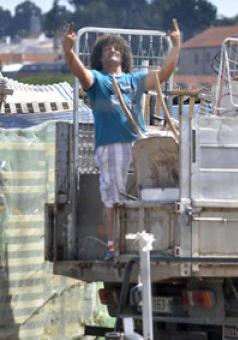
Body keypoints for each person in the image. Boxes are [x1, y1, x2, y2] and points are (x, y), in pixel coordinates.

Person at [62, 20, 181, 258]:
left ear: (124, 55)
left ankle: (152, 243)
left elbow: (163, 76)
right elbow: (81, 73)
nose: (112, 50)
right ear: (99, 56)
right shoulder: (97, 79)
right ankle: (113, 247)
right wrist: (68, 51)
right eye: (107, 48)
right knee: (114, 197)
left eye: (116, 48)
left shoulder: (135, 80)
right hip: (112, 145)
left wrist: (176, 47)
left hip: (140, 145)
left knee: (148, 192)